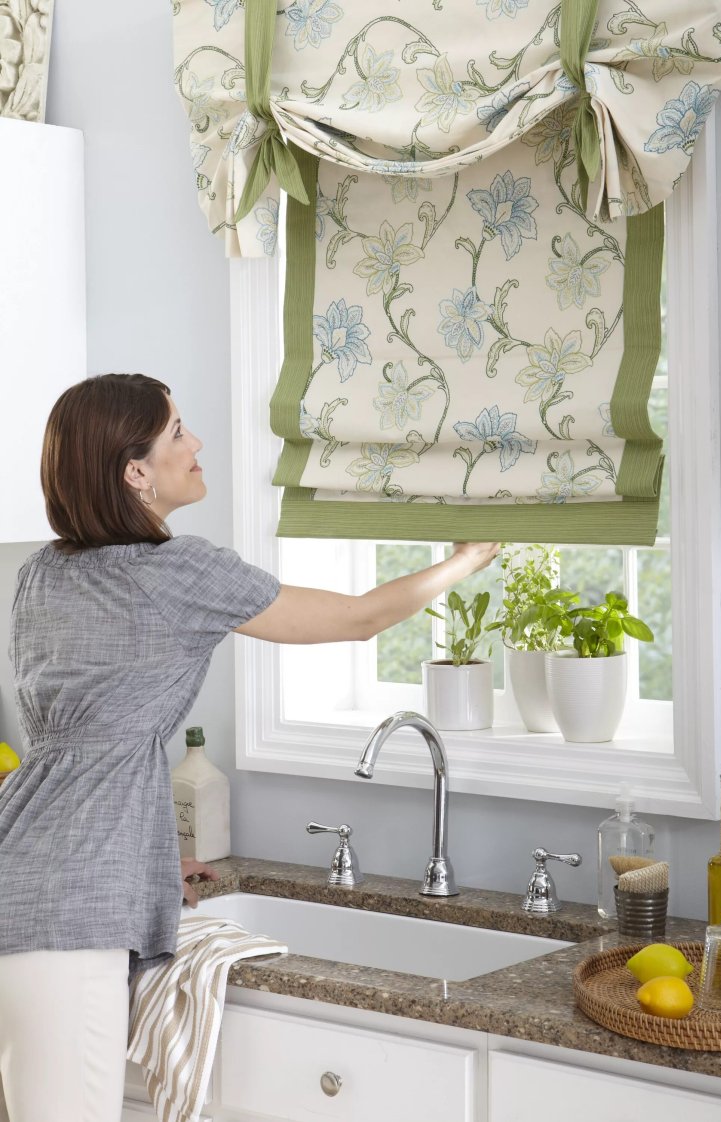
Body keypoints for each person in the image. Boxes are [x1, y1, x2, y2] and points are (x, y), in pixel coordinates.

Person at [0, 373, 498, 1122]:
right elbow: (358, 619)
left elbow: (74, 749)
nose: (195, 444)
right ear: (135, 472)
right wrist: (467, 560)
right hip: (72, 914)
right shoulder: (182, 572)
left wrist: (143, 858)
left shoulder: (42, 573)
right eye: (176, 434)